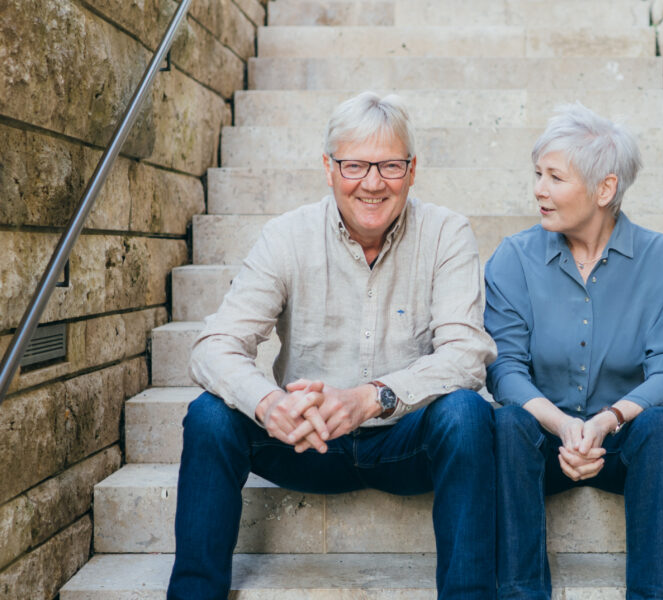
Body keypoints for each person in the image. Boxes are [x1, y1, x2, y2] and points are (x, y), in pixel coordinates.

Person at [167, 92, 498, 600]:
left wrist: (369, 397)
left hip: (402, 440)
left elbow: (466, 355)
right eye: (354, 165)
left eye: (389, 165)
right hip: (305, 440)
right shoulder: (286, 236)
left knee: (468, 413)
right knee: (210, 415)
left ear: (412, 170)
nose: (372, 182)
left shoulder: (446, 233)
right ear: (328, 167)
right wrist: (269, 403)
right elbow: (214, 346)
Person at [484, 103, 663, 600]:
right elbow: (504, 369)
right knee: (505, 424)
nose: (539, 189)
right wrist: (560, 425)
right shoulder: (513, 258)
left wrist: (606, 421)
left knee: (662, 428)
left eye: (555, 177)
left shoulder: (662, 260)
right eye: (538, 174)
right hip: (540, 441)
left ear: (605, 189)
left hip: (618, 442)